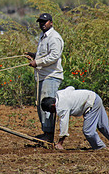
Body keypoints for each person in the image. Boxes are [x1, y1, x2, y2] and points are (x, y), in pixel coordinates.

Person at [41, 86, 109, 150]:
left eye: (51, 111)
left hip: (91, 104)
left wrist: (60, 143)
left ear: (53, 105)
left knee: (88, 131)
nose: (52, 113)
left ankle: (100, 148)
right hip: (94, 97)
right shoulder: (60, 94)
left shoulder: (62, 106)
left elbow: (64, 125)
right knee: (103, 126)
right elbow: (71, 88)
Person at [25, 13, 63, 143]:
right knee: (42, 106)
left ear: (51, 23)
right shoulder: (43, 36)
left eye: (45, 22)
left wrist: (37, 63)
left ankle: (49, 135)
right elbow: (45, 54)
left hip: (51, 76)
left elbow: (54, 56)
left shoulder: (54, 37)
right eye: (41, 22)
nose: (42, 24)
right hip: (43, 76)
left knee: (47, 105)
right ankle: (46, 132)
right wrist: (34, 56)